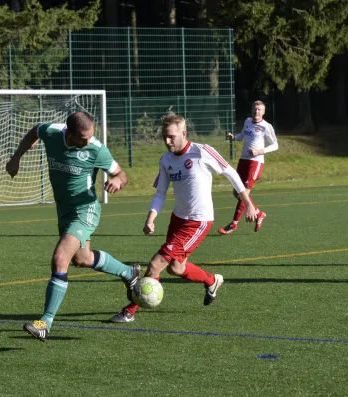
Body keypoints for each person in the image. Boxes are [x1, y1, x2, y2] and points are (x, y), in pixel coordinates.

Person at [110, 114, 259, 323]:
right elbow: (161, 193)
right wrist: (150, 218)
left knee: (155, 264)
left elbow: (232, 174)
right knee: (176, 268)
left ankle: (130, 311)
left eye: (171, 137)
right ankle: (211, 281)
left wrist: (249, 204)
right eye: (164, 137)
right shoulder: (166, 160)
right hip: (178, 218)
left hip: (198, 222)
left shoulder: (202, 151)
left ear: (183, 133)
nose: (167, 141)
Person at [6, 112, 140, 340]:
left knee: (60, 258)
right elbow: (34, 132)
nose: (88, 141)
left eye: (90, 136)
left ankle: (45, 322)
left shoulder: (96, 149)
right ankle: (129, 272)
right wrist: (16, 157)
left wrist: (118, 181)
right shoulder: (51, 133)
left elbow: (121, 174)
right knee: (82, 259)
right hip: (64, 211)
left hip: (85, 210)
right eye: (83, 138)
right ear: (69, 133)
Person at [218, 100, 278, 234]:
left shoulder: (266, 126)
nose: (256, 111)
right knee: (236, 192)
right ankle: (258, 213)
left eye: (259, 110)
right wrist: (233, 137)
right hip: (243, 161)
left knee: (243, 192)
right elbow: (242, 135)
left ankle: (233, 224)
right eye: (254, 109)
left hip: (255, 162)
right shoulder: (248, 121)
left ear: (263, 112)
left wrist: (259, 151)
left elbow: (275, 145)